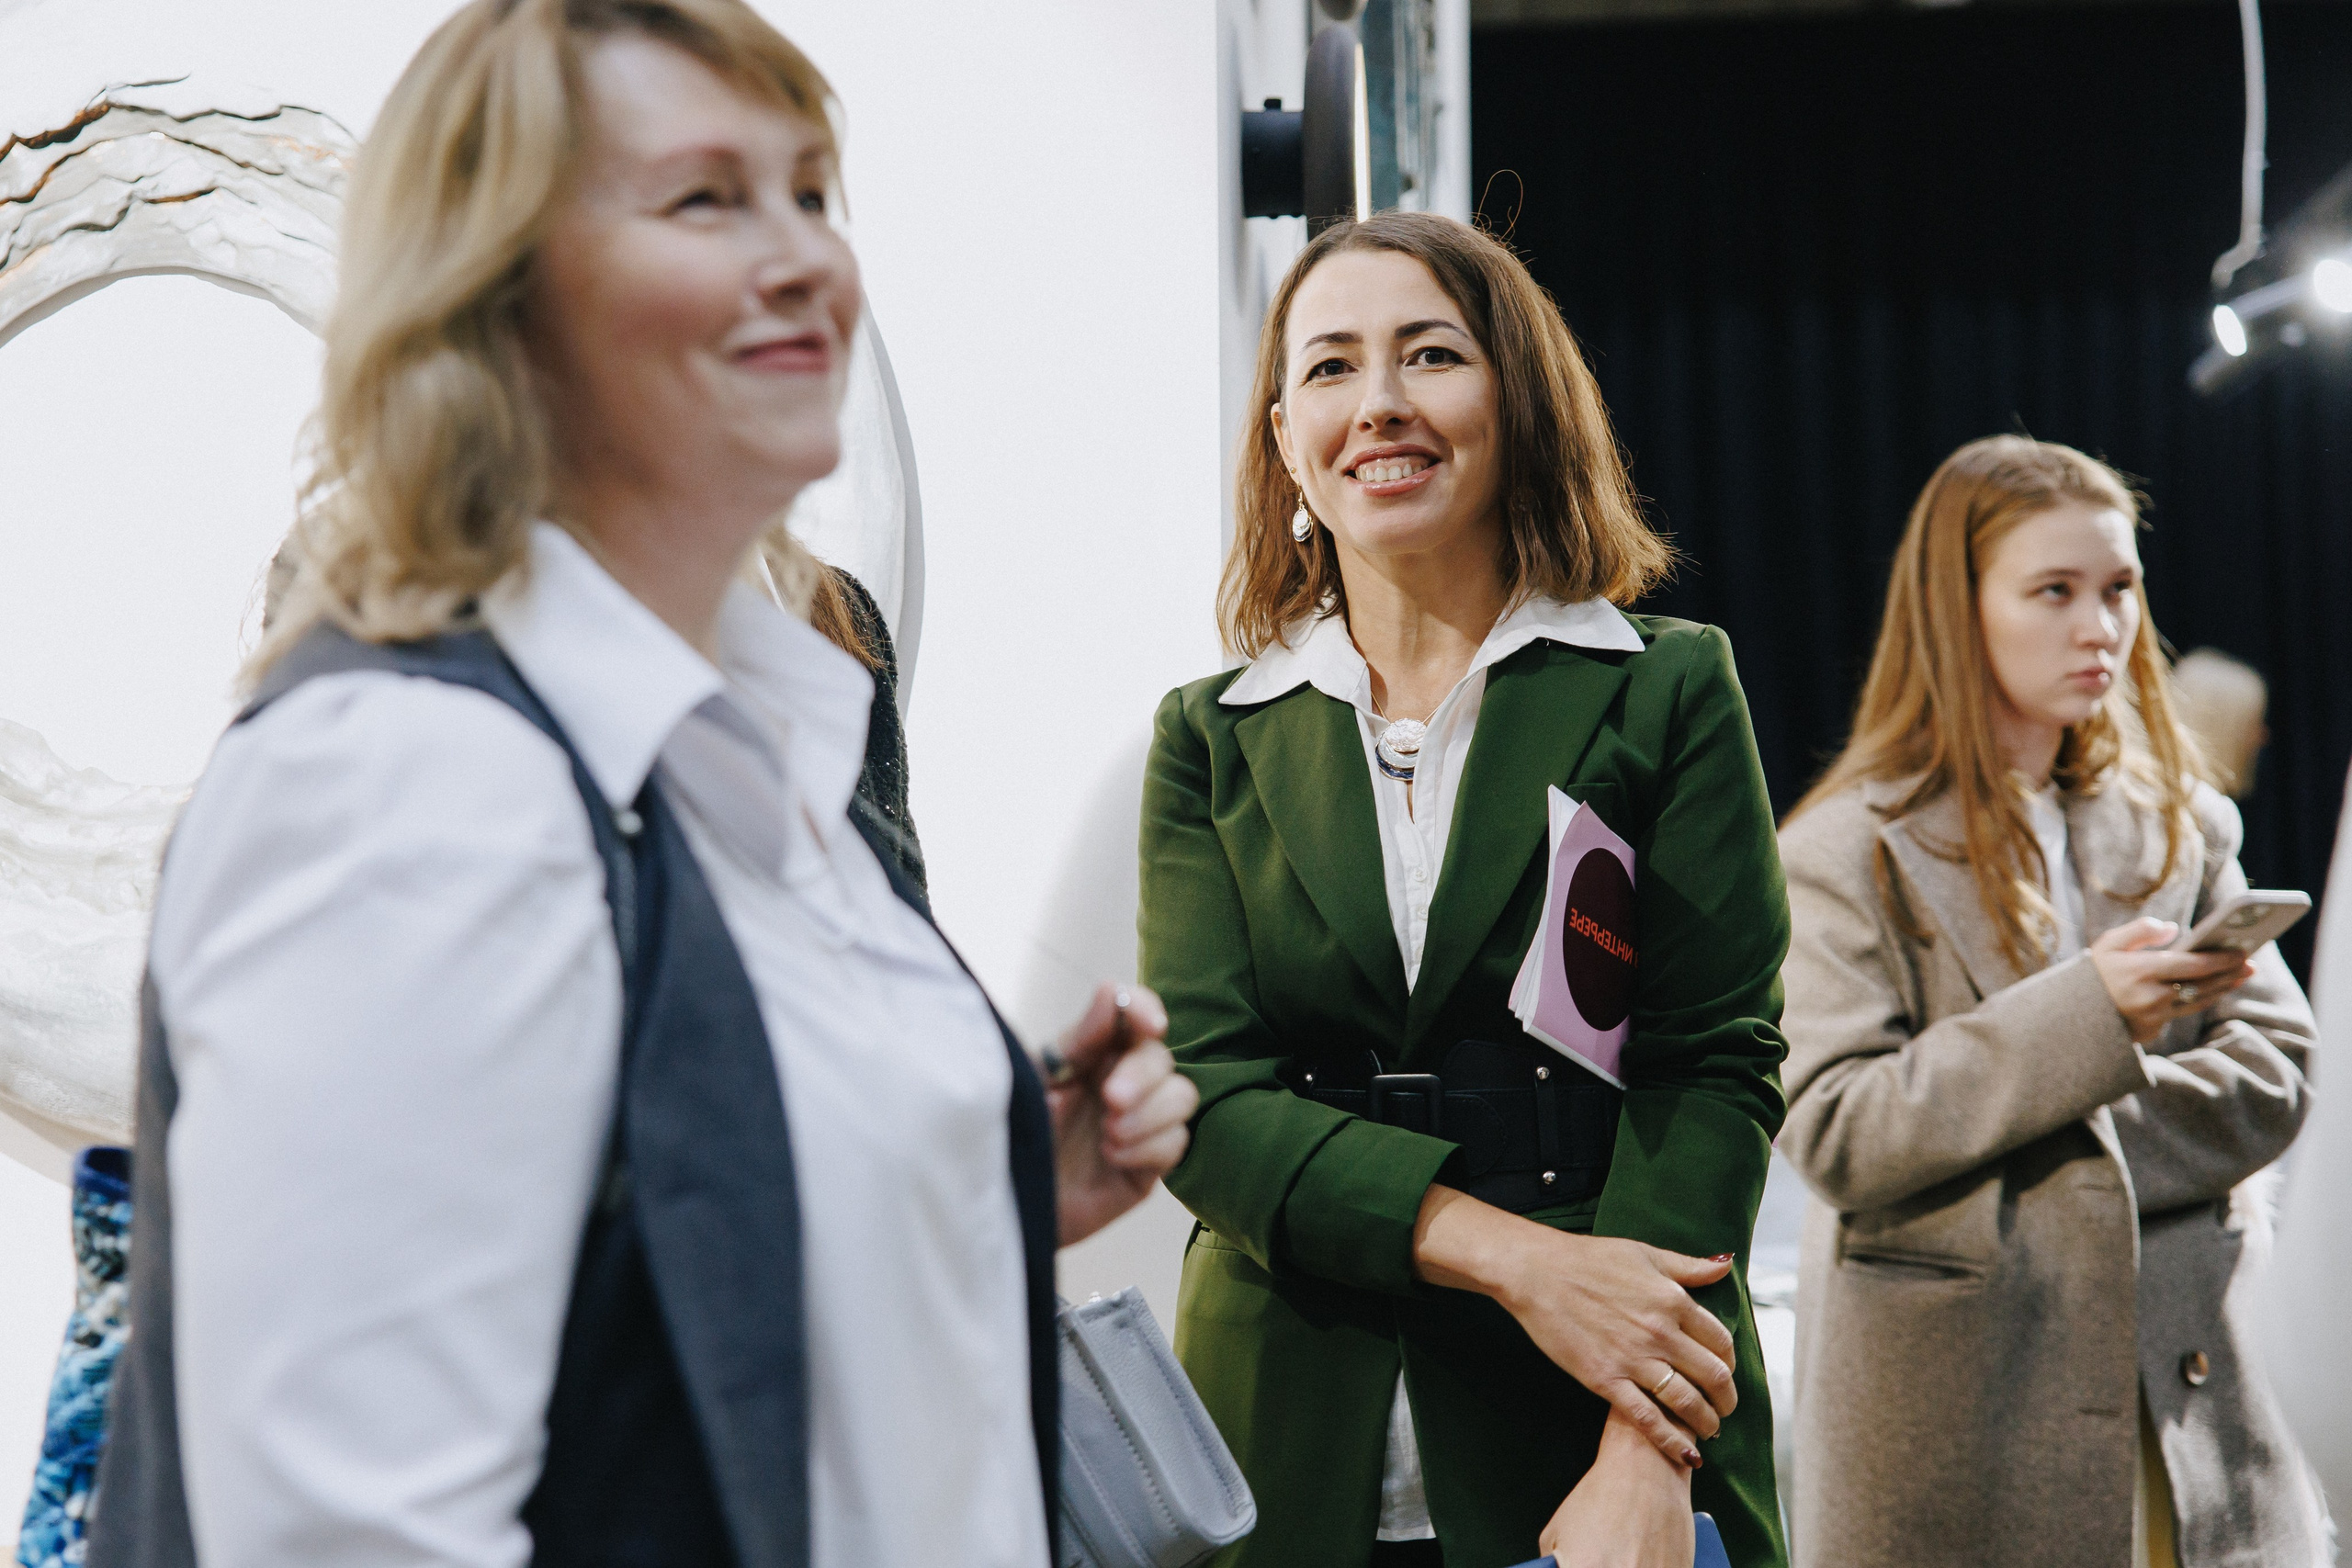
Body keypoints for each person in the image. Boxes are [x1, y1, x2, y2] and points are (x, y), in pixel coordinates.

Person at [85, 3, 1198, 1565]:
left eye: (810, 191)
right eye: (705, 198)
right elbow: (357, 1536)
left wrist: (959, 1166)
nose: (805, 256)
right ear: (497, 300)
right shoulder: (409, 783)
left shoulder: (763, 736)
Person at [1139, 210, 1789, 1568]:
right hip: (1280, 1429)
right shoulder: (1210, 736)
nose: (1379, 402)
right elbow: (1205, 1100)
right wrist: (1516, 1258)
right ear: (1286, 443)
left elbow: (1707, 1070)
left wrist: (1645, 1445)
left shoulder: (1666, 687)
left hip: (1593, 1425)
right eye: (1330, 367)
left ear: (1517, 401)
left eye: (1429, 355)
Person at [1776, 435, 2325, 1568]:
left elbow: (2275, 1072)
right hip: (1961, 1423)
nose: (2100, 627)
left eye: (2119, 588)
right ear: (1957, 607)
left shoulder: (2180, 824)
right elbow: (1838, 1130)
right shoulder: (1841, 851)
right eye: (2054, 591)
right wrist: (2089, 1018)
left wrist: (2030, 1153)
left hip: (2189, 1400)